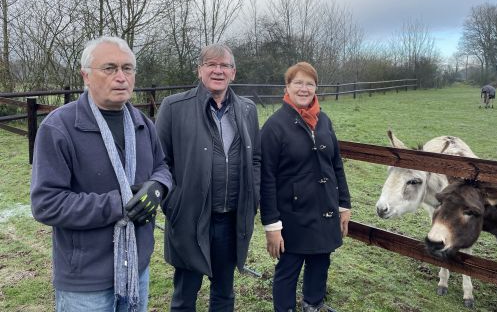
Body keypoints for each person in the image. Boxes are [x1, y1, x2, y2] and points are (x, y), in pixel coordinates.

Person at [30, 36, 172, 312]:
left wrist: (158, 187)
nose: (121, 77)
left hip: (136, 269)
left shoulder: (142, 123)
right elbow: (46, 204)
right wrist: (120, 203)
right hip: (86, 279)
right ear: (86, 76)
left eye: (127, 68)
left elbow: (162, 167)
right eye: (109, 68)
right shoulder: (60, 128)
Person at [155, 44, 261, 312]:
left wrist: (253, 198)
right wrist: (174, 204)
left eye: (224, 65)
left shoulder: (247, 109)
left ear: (233, 73)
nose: (218, 70)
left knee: (224, 292)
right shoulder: (174, 107)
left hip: (231, 219)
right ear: (199, 70)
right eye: (211, 64)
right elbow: (159, 162)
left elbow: (256, 159)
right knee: (185, 295)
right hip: (189, 218)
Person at [260, 62, 352, 312]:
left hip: (324, 208)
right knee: (289, 267)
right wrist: (272, 225)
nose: (304, 88)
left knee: (321, 260)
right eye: (298, 83)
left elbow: (336, 165)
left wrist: (344, 205)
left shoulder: (324, 121)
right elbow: (266, 177)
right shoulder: (274, 126)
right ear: (287, 87)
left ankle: (313, 303)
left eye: (309, 83)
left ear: (316, 87)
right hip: (292, 214)